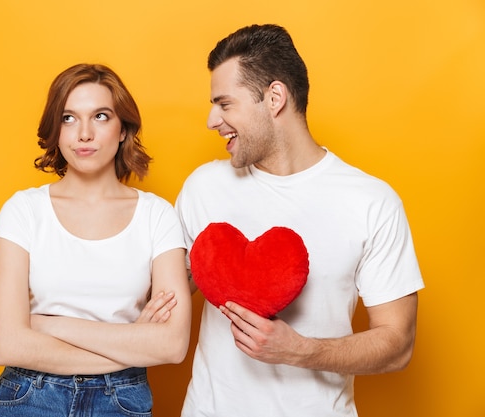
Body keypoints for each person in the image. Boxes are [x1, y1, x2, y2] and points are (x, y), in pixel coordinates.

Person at [175, 24, 424, 416]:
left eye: (224, 104)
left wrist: (301, 351)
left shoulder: (372, 202)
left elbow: (398, 344)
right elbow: (164, 297)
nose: (211, 120)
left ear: (274, 97)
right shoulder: (202, 188)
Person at [0, 63, 191, 417]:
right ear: (56, 129)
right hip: (29, 396)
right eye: (68, 118)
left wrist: (49, 324)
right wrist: (130, 343)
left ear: (123, 129)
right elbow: (7, 345)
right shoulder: (23, 210)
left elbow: (171, 346)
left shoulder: (157, 215)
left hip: (122, 401)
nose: (84, 133)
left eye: (100, 116)